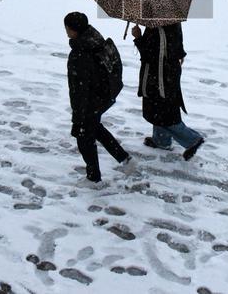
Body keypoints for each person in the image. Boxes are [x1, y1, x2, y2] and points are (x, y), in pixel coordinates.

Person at [64, 11, 131, 183]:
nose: (66, 31)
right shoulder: (95, 39)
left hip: (91, 101)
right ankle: (125, 159)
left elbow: (79, 89)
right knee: (95, 129)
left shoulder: (80, 53)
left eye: (67, 28)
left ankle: (94, 179)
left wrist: (78, 115)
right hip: (104, 97)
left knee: (84, 139)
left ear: (73, 30)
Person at [132, 21, 204, 160]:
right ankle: (161, 141)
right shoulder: (172, 21)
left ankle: (192, 140)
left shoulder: (157, 28)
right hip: (168, 73)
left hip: (160, 77)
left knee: (164, 112)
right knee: (159, 108)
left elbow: (150, 55)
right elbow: (176, 44)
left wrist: (138, 37)